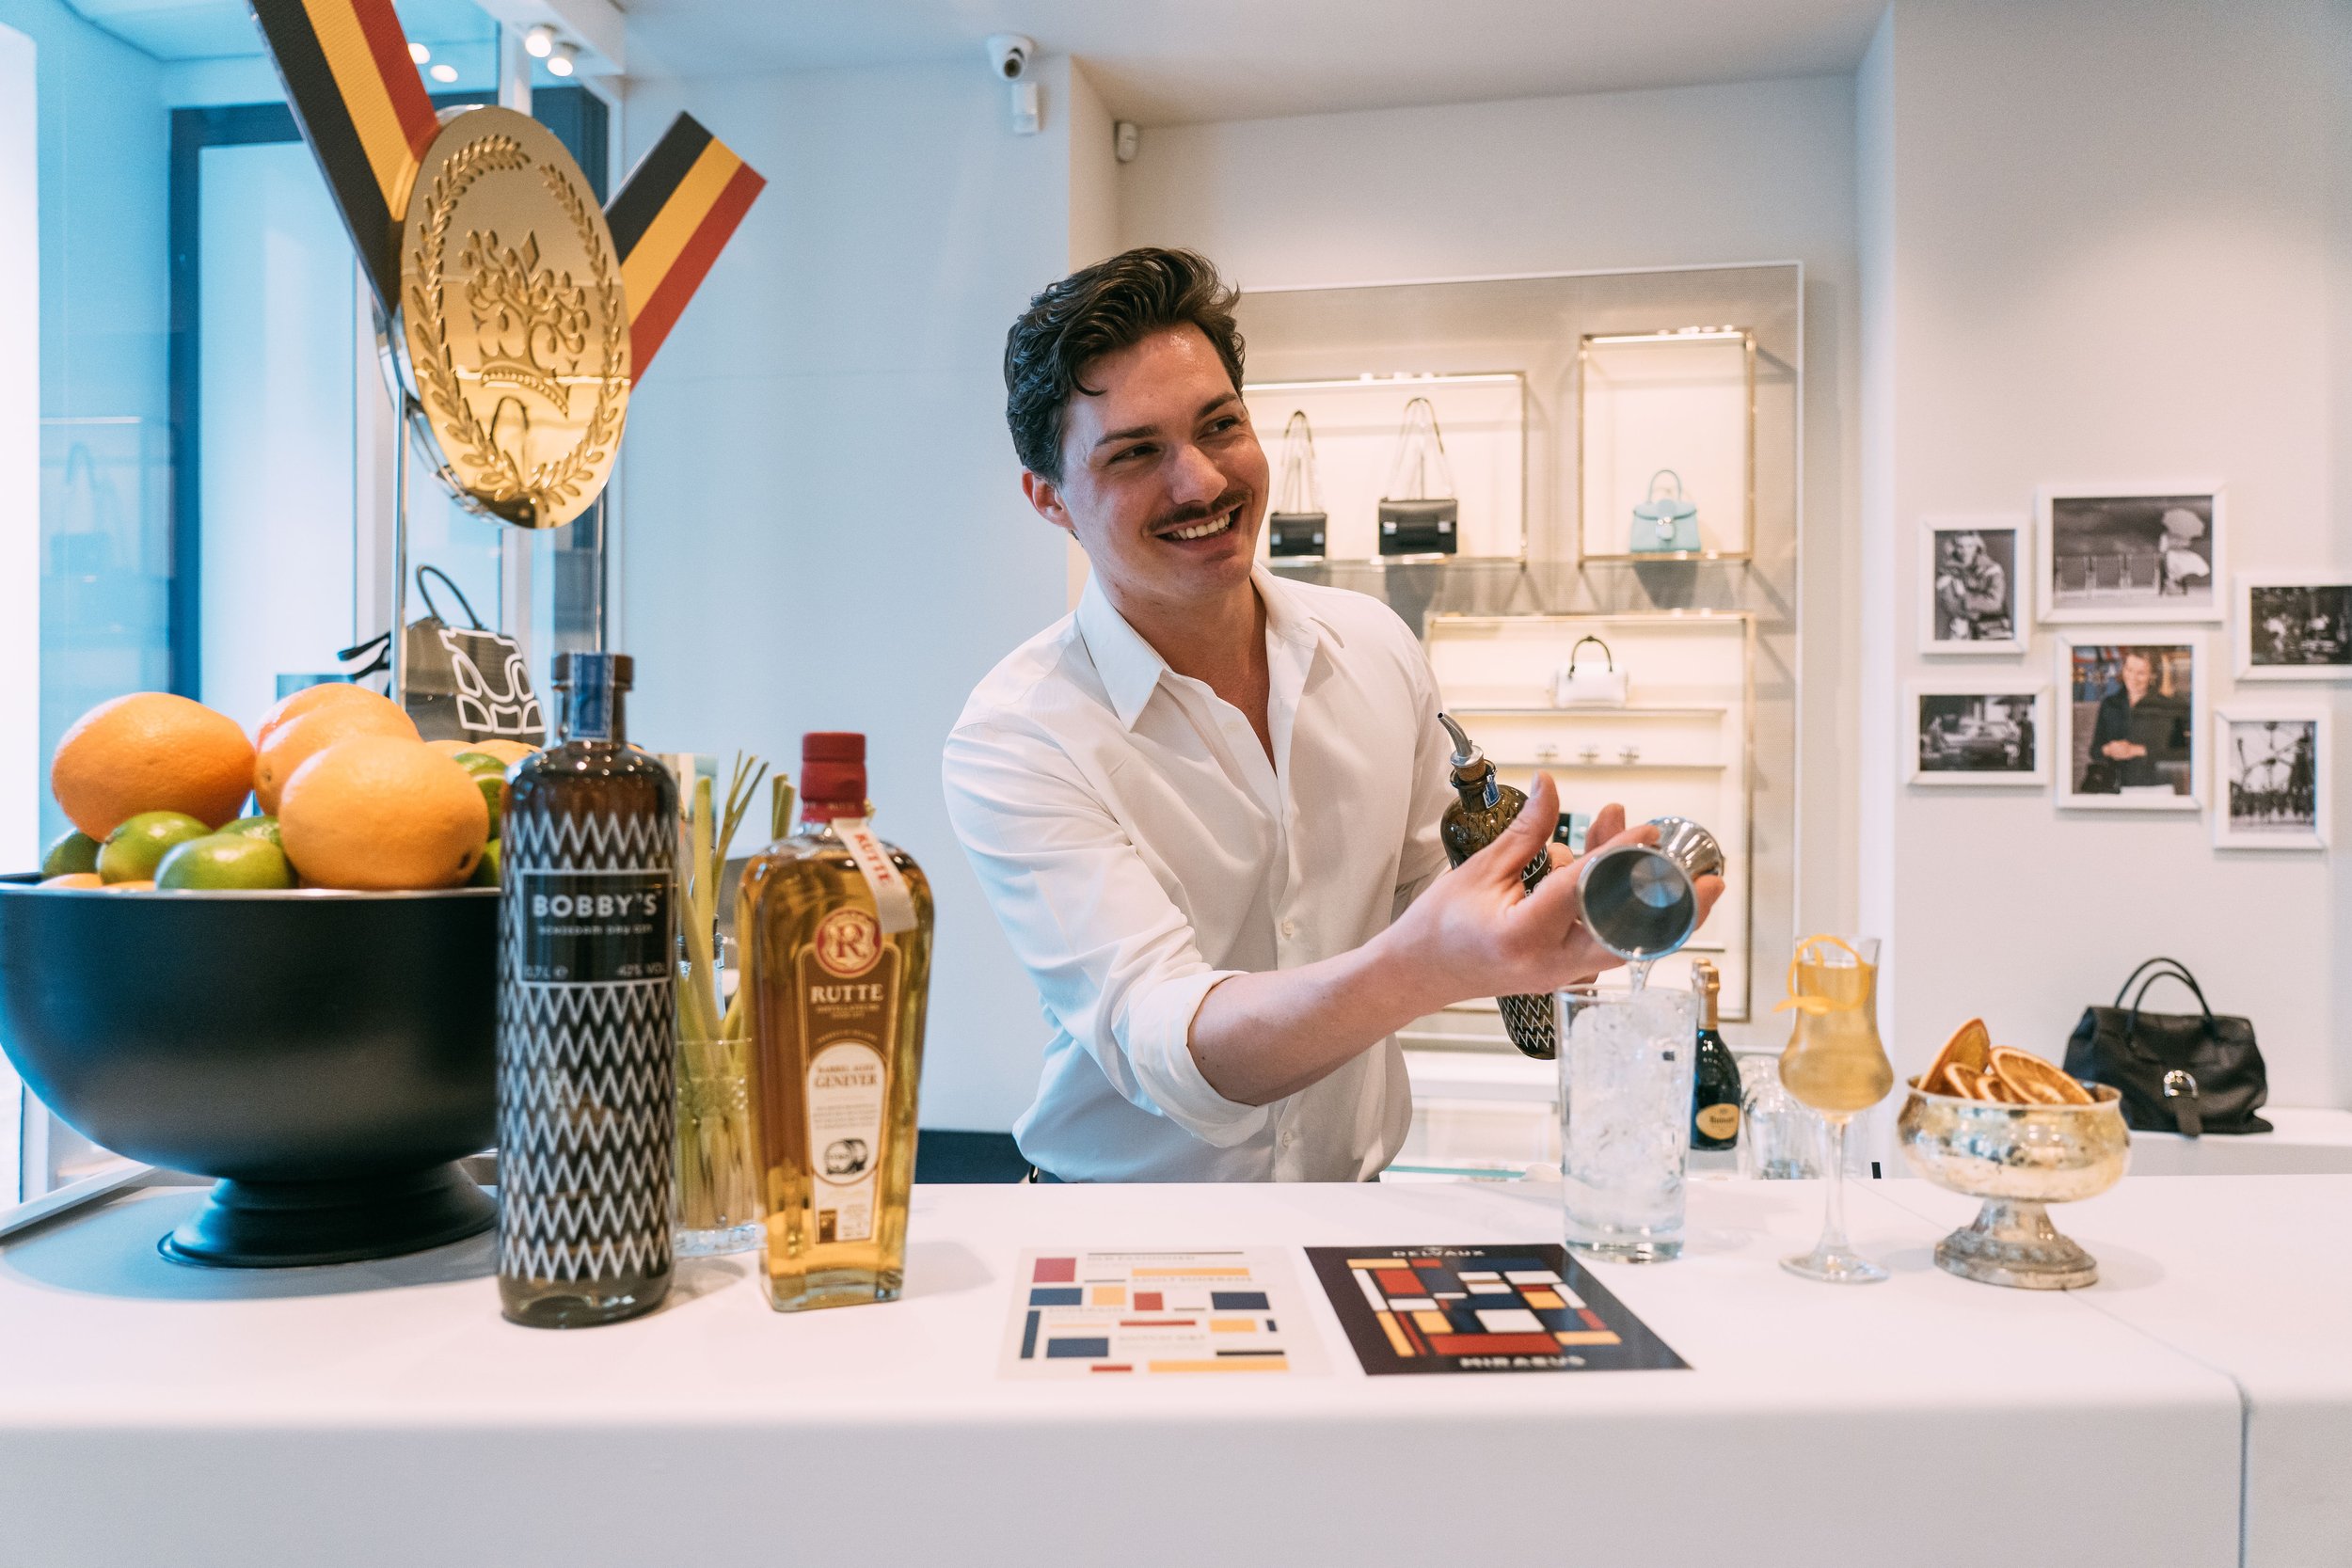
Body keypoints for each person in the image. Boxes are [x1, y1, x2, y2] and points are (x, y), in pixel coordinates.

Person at [944, 248, 1722, 1182]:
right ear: (1049, 499)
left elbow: (1434, 893)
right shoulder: (1020, 733)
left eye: (1219, 424)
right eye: (1135, 452)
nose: (1199, 483)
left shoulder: (1374, 647)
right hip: (1123, 1230)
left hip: (1355, 1215)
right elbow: (1164, 1042)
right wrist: (1426, 965)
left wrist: (1551, 924)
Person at [2086, 649, 2187, 791]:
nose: (2132, 677)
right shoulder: (2110, 704)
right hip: (2113, 788)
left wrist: (2137, 750)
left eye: (2141, 673)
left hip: (2156, 788)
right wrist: (2109, 749)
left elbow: (2183, 753)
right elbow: (2095, 751)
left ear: (2152, 675)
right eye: (2129, 670)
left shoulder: (2169, 705)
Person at [1933, 531, 2009, 641]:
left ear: (1977, 547)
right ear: (1954, 548)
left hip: (1993, 628)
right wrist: (1978, 609)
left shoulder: (1992, 569)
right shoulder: (1947, 571)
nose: (1965, 551)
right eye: (1960, 546)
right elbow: (1950, 605)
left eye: (1970, 546)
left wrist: (1964, 596)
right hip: (1961, 631)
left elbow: (1995, 603)